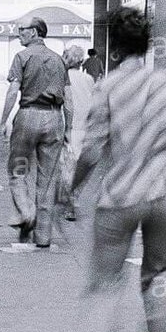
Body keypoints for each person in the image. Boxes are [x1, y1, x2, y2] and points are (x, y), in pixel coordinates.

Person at [64, 7, 166, 332]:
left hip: (119, 197)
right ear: (147, 43)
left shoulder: (108, 87)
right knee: (159, 284)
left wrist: (71, 185)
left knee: (104, 285)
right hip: (164, 196)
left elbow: (91, 149)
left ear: (115, 47)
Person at [0, 17, 74, 247]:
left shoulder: (22, 57)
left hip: (28, 116)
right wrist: (68, 128)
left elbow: (13, 91)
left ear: (35, 32)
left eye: (22, 30)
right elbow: (68, 100)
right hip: (53, 117)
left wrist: (3, 120)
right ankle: (43, 237)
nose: (19, 33)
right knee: (48, 178)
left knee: (18, 169)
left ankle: (26, 211)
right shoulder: (59, 60)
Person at [61, 44, 95, 221]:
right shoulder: (88, 79)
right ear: (81, 61)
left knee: (66, 167)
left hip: (66, 126)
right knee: (77, 166)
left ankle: (68, 203)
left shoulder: (61, 77)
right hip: (84, 127)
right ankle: (72, 198)